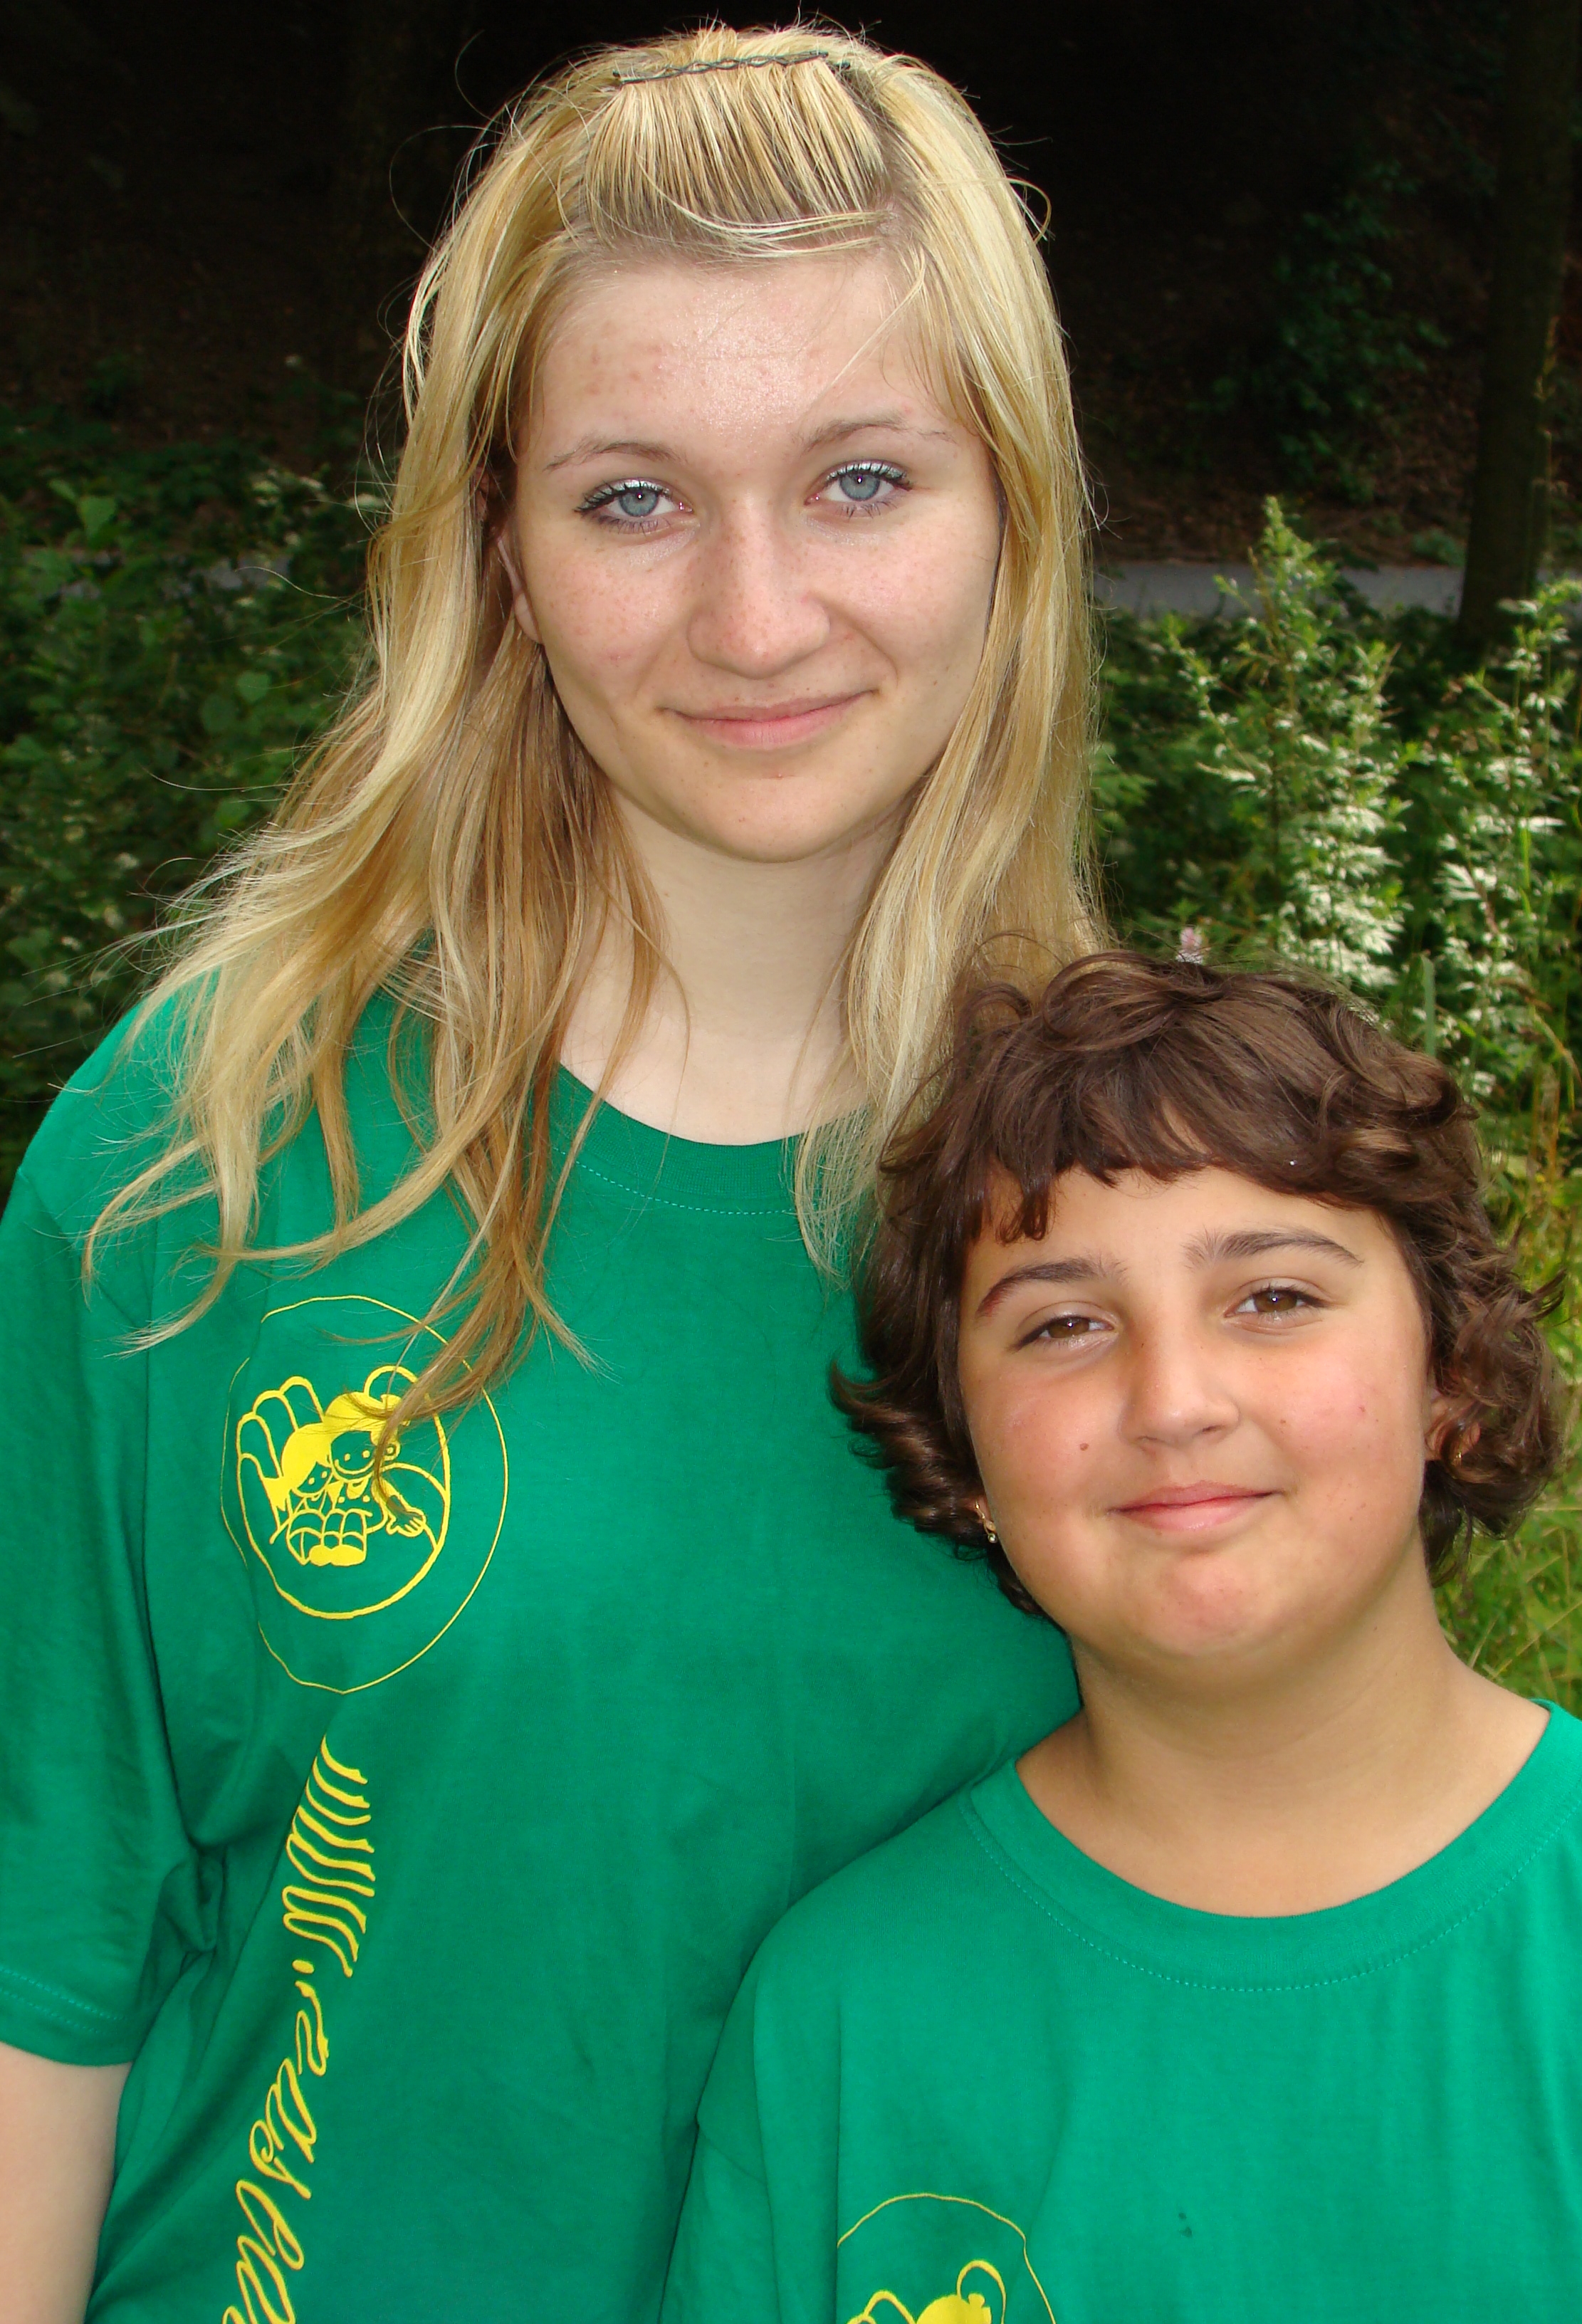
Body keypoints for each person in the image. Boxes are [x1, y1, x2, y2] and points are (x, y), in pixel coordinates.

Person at [0, 27, 1103, 2322]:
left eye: (862, 480)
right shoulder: (213, 1158)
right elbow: (41, 1960)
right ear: (495, 551)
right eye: (633, 500)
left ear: (1015, 510)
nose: (757, 618)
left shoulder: (1160, 1211)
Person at [661, 953, 1582, 2324]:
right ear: (963, 1456)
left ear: (1454, 1373)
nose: (1173, 1401)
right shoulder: (840, 2014)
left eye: (1274, 1298)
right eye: (1063, 1323)